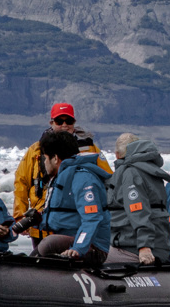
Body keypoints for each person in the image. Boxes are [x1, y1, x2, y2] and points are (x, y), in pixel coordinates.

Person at [11, 102, 109, 238]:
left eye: (68, 121)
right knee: (44, 255)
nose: (64, 125)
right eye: (59, 121)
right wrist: (19, 216)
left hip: (76, 220)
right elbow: (22, 182)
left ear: (74, 122)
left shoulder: (89, 148)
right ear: (51, 123)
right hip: (42, 221)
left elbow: (107, 179)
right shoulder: (36, 150)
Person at [34, 130, 111, 265]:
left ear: (55, 158)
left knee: (49, 243)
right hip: (71, 239)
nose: (44, 163)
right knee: (46, 244)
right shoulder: (62, 177)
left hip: (92, 247)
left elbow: (92, 218)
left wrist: (78, 248)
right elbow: (64, 216)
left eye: (45, 158)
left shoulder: (83, 178)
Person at [106, 132, 170, 264]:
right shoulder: (148, 169)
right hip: (153, 244)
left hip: (135, 248)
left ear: (117, 155)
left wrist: (144, 247)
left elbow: (138, 211)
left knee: (90, 258)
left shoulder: (131, 173)